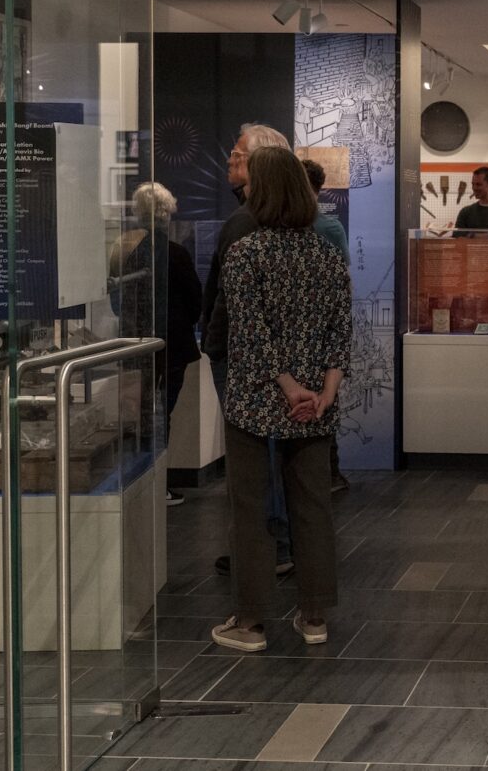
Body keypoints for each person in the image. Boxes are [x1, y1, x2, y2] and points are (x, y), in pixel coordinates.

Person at [211, 145, 352, 653]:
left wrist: (287, 385)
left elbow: (250, 334)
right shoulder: (326, 253)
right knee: (312, 507)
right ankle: (313, 616)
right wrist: (323, 391)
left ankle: (249, 624)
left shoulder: (246, 253)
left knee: (249, 508)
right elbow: (341, 329)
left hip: (256, 398)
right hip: (315, 403)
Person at [203, 123, 300, 576]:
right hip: (266, 357)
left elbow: (235, 304)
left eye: (239, 156)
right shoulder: (288, 226)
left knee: (254, 457)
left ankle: (268, 543)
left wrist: (217, 343)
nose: (230, 161)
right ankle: (271, 541)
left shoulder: (245, 226)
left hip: (246, 358)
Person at [114, 182, 204, 504]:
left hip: (137, 343)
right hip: (171, 345)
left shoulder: (129, 252)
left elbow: (119, 300)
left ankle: (141, 482)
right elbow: (196, 300)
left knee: (141, 414)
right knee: (162, 413)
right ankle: (157, 485)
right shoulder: (175, 254)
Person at [303, 159, 352, 494]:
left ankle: (326, 470)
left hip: (314, 327)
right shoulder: (330, 227)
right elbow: (344, 279)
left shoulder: (327, 228)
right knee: (325, 395)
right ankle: (328, 471)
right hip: (321, 327)